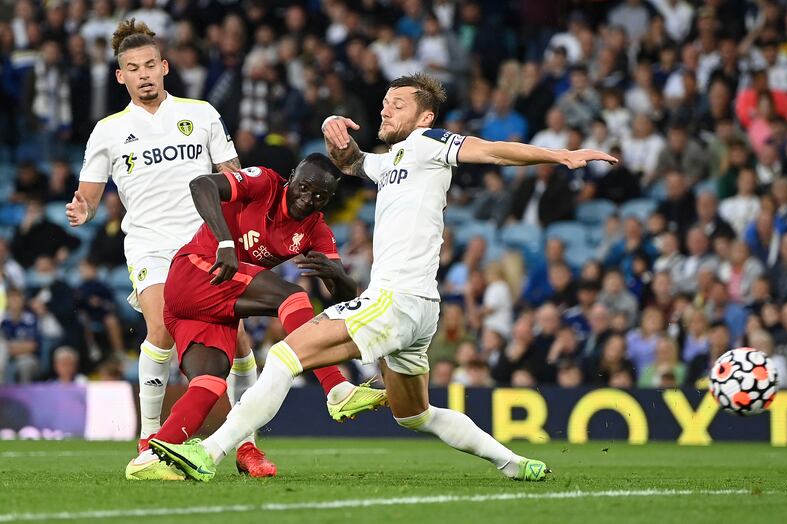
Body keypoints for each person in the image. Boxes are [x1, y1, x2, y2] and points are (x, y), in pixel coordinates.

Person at [150, 73, 616, 482]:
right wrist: (336, 135)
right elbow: (354, 163)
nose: (385, 108)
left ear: (424, 117)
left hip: (394, 300)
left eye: (398, 104)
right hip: (419, 308)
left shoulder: (430, 144)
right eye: (384, 102)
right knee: (416, 415)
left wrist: (559, 155)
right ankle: (514, 463)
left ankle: (209, 452)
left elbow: (492, 153)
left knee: (284, 358)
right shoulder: (391, 162)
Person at [66, 19, 360, 480]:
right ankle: (149, 436)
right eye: (132, 68)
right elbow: (89, 191)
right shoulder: (107, 130)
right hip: (150, 244)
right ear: (119, 76)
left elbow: (230, 172)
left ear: (164, 67)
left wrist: (238, 227)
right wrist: (81, 207)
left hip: (207, 235)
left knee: (240, 344)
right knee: (160, 329)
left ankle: (246, 446)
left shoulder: (200, 113)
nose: (143, 74)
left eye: (150, 65)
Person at [127, 155, 385, 480]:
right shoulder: (264, 181)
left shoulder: (316, 230)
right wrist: (224, 241)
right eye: (303, 187)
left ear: (329, 200)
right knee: (293, 298)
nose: (308, 199)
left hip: (217, 305)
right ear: (291, 176)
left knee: (209, 384)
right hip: (197, 271)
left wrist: (341, 276)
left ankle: (150, 456)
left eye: (320, 196)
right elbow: (202, 184)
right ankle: (335, 387)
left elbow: (344, 299)